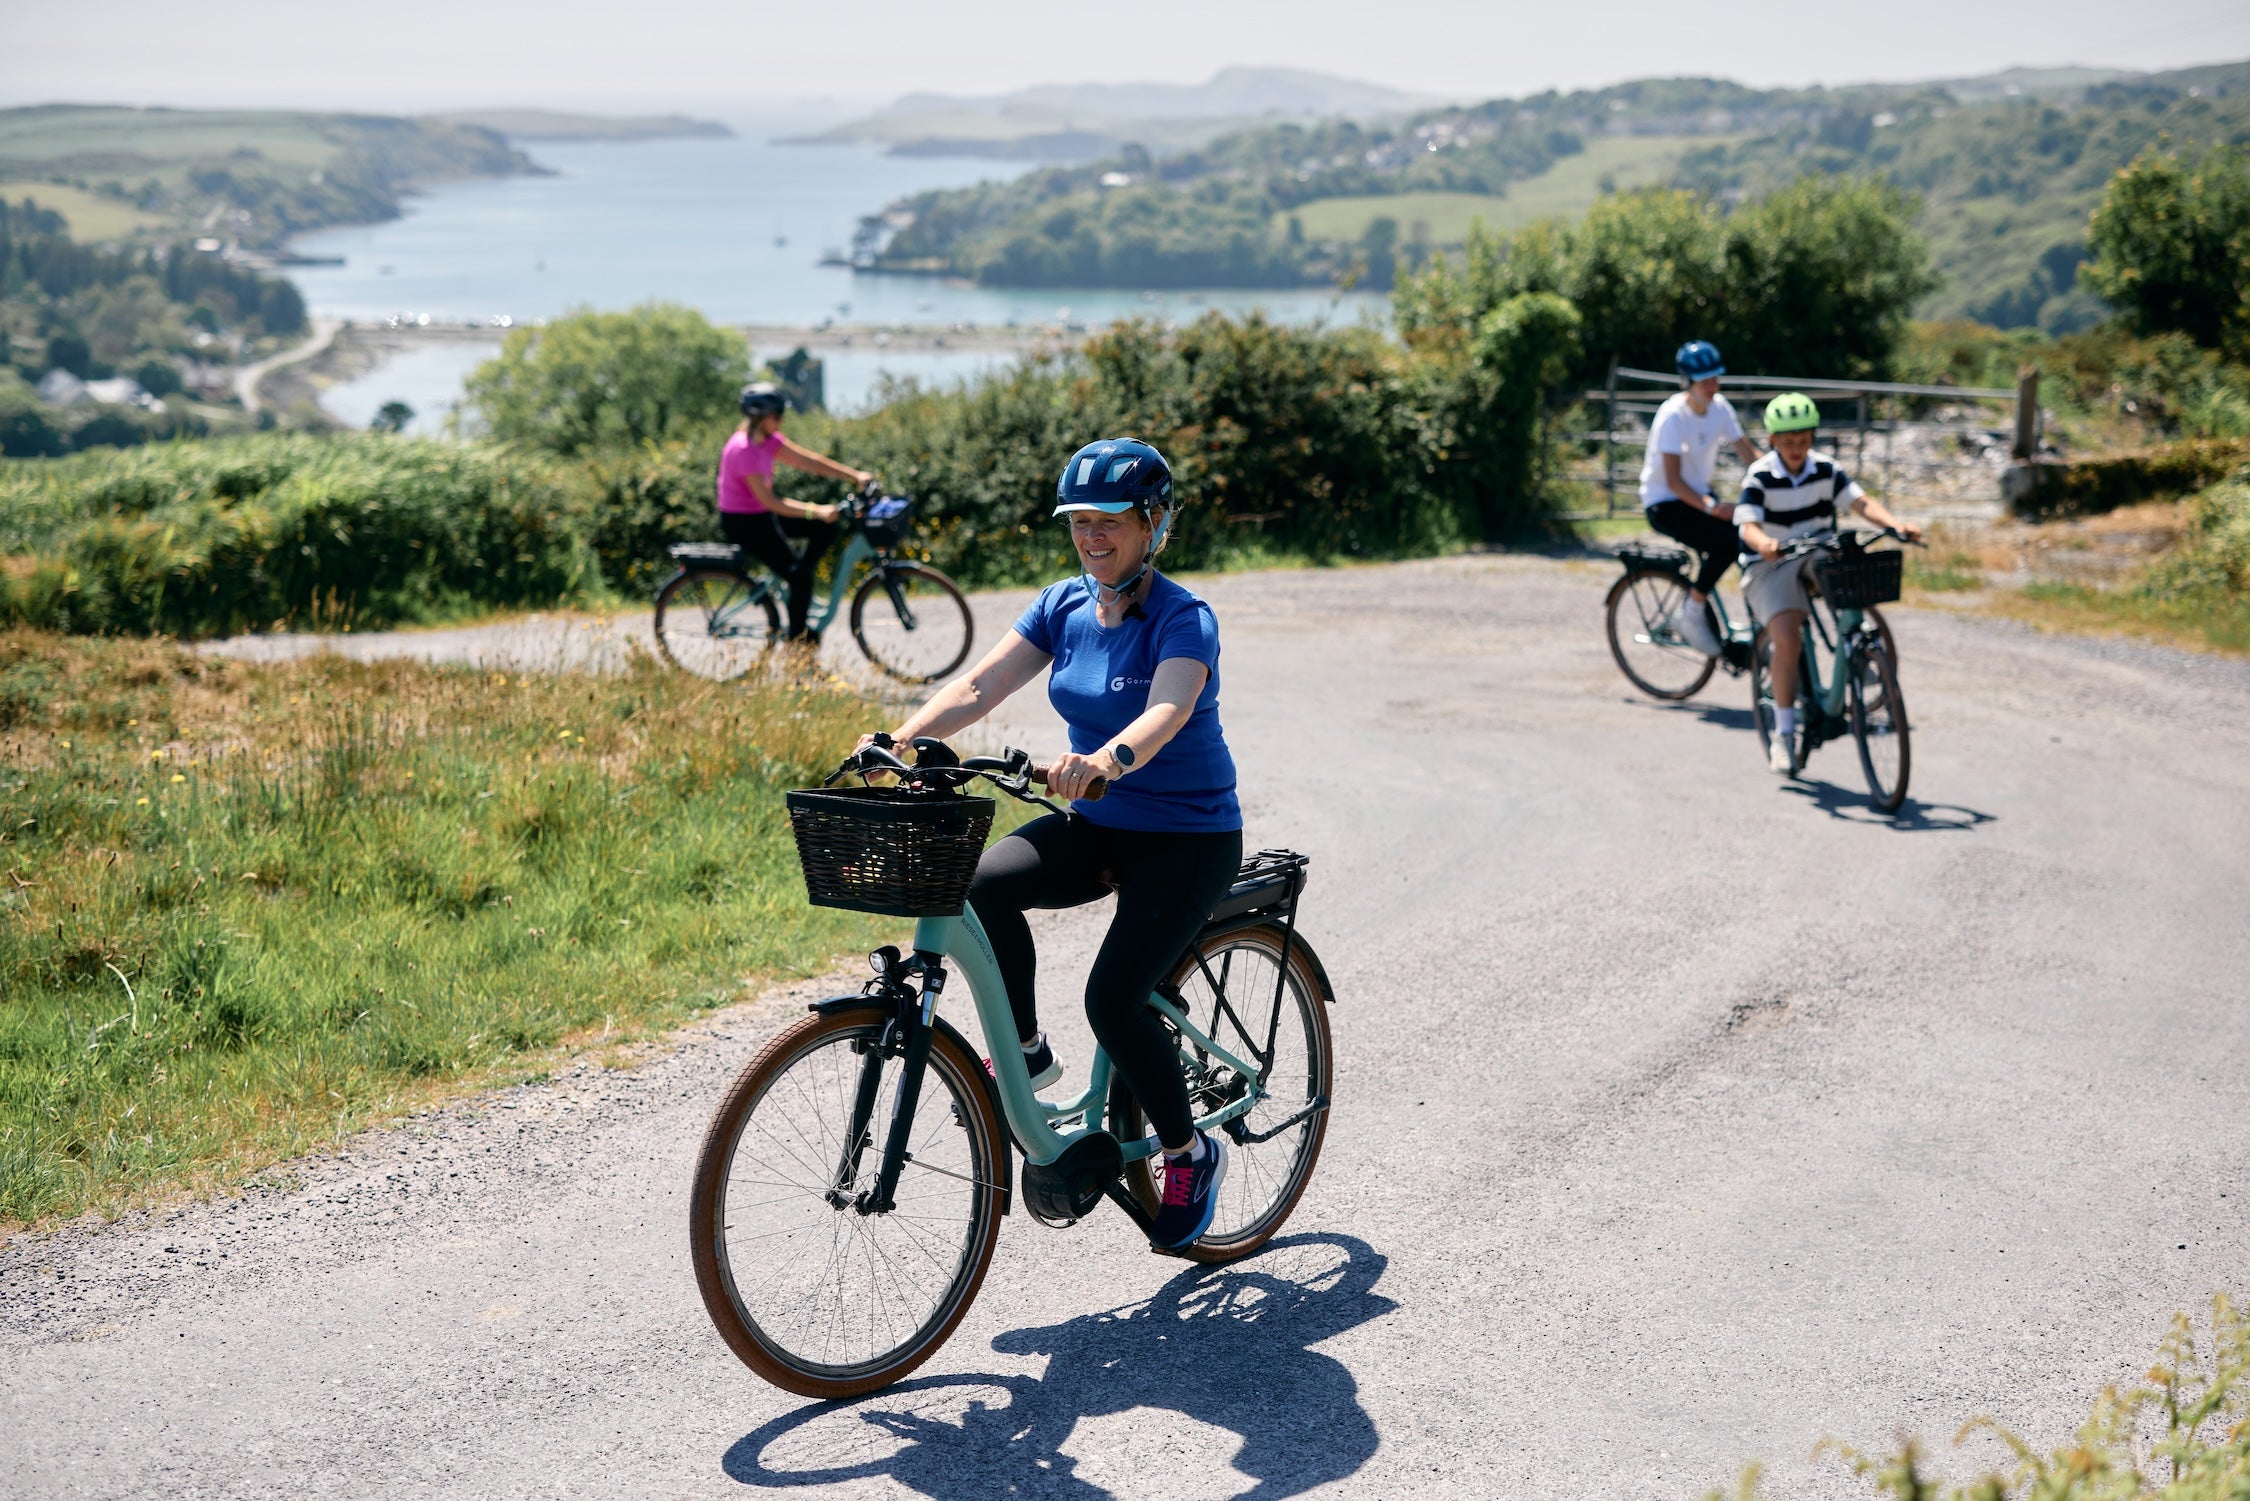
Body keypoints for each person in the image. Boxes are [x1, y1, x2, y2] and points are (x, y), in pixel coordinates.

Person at [862, 437, 1242, 1251]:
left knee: (1113, 999)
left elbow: (1168, 710)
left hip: (1187, 836)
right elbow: (979, 684)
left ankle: (1189, 1149)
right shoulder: (1062, 604)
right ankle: (1027, 1054)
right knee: (978, 882)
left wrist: (1106, 760)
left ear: (1153, 524)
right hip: (1100, 825)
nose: (1091, 535)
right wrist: (897, 739)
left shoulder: (1183, 617)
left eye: (1110, 520)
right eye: (1078, 521)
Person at [1737, 392, 1923, 776]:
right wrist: (1765, 544)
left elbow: (1860, 502)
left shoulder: (1826, 469)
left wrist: (1895, 525)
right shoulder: (1759, 476)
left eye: (1803, 440)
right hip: (1769, 564)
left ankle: (1857, 654)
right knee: (1787, 636)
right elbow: (1747, 525)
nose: (1796, 449)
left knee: (1848, 577)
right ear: (1772, 441)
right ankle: (1784, 735)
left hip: (1815, 553)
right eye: (1788, 442)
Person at [717, 381, 875, 642]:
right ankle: (799, 645)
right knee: (802, 581)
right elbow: (772, 502)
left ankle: (797, 578)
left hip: (761, 514)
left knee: (827, 528)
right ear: (762, 417)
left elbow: (808, 461)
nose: (782, 420)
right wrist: (816, 510)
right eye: (778, 415)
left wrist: (854, 475)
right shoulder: (742, 450)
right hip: (744, 522)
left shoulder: (767, 441)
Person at [1638, 340, 1763, 656]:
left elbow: (1748, 453)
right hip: (1665, 502)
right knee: (1728, 542)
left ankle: (1758, 617)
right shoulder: (1673, 416)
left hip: (1698, 496)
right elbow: (1673, 481)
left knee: (1753, 537)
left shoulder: (1719, 408)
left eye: (1715, 378)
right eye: (1705, 380)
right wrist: (1713, 507)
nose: (1712, 385)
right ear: (1687, 383)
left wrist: (1777, 477)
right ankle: (1691, 614)